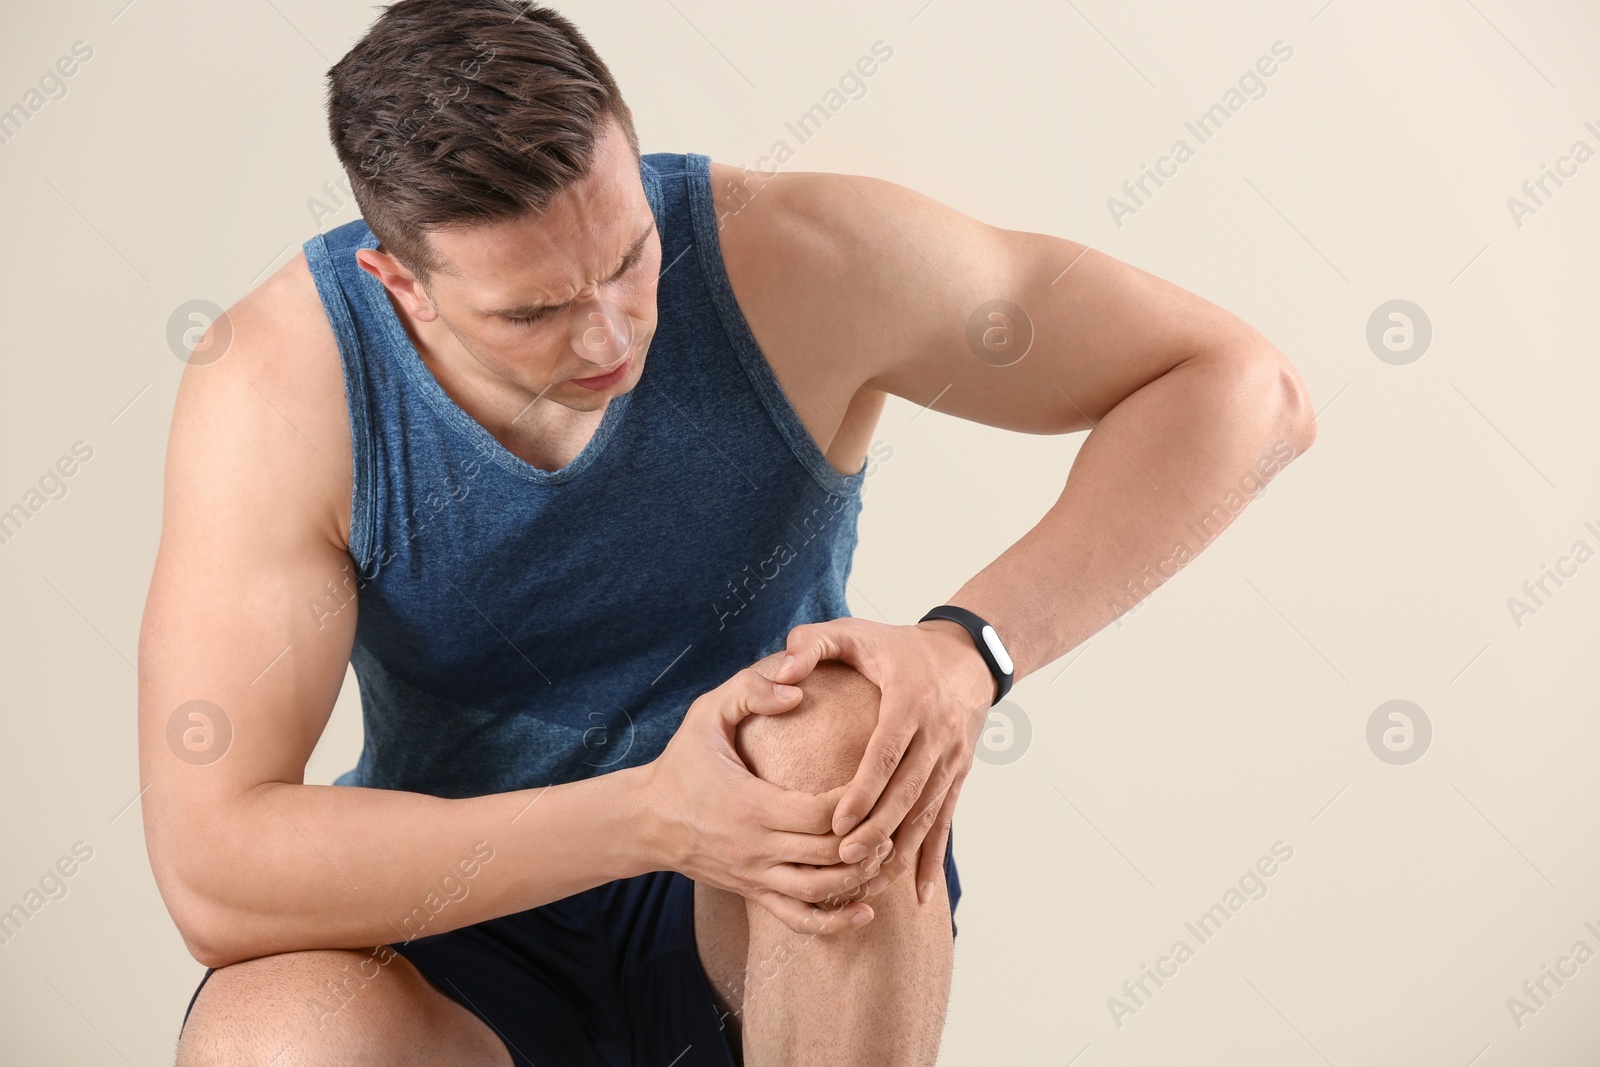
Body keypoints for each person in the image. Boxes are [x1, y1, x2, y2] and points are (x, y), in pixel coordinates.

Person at [140, 2, 1316, 1064]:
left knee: (843, 722)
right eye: (536, 310)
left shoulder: (799, 257)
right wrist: (652, 812)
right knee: (275, 1040)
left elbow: (1242, 387)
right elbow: (216, 869)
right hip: (463, 913)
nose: (609, 334)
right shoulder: (281, 387)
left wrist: (973, 647)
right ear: (401, 284)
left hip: (778, 894)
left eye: (629, 255)